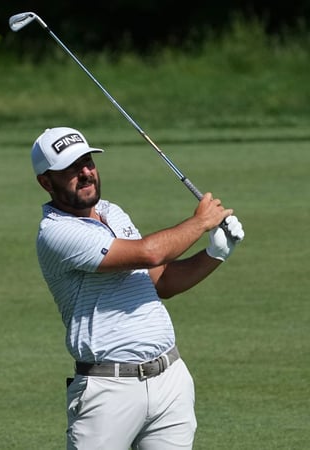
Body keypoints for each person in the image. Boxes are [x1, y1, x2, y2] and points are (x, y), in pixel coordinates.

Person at [30, 127, 244, 449]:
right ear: (46, 182)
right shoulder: (55, 233)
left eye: (87, 162)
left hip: (169, 379)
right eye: (71, 169)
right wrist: (201, 222)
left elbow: (162, 280)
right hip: (107, 390)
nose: (85, 173)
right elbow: (149, 252)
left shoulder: (113, 212)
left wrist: (215, 254)